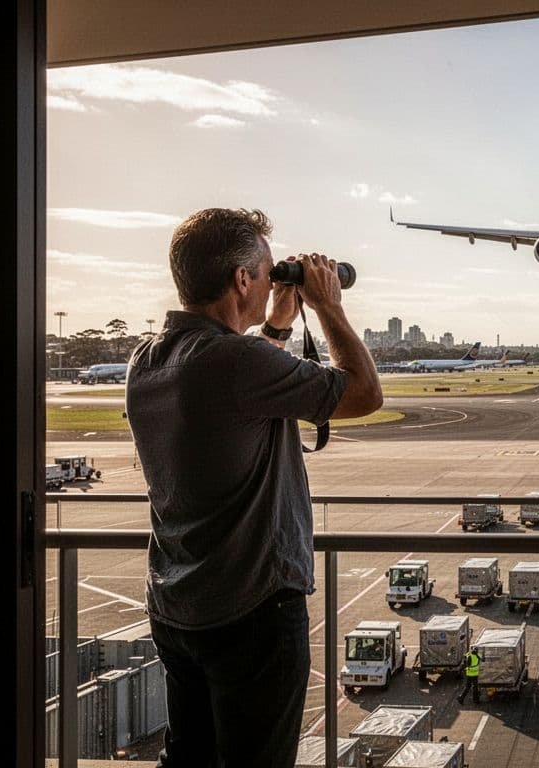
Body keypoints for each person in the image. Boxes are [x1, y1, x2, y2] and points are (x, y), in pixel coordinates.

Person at [127, 208, 382, 767]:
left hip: (179, 608)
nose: (271, 281)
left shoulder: (147, 359)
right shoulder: (233, 362)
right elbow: (363, 393)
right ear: (242, 279)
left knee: (192, 758)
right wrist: (329, 307)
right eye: (267, 271)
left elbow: (241, 389)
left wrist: (277, 328)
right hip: (253, 612)